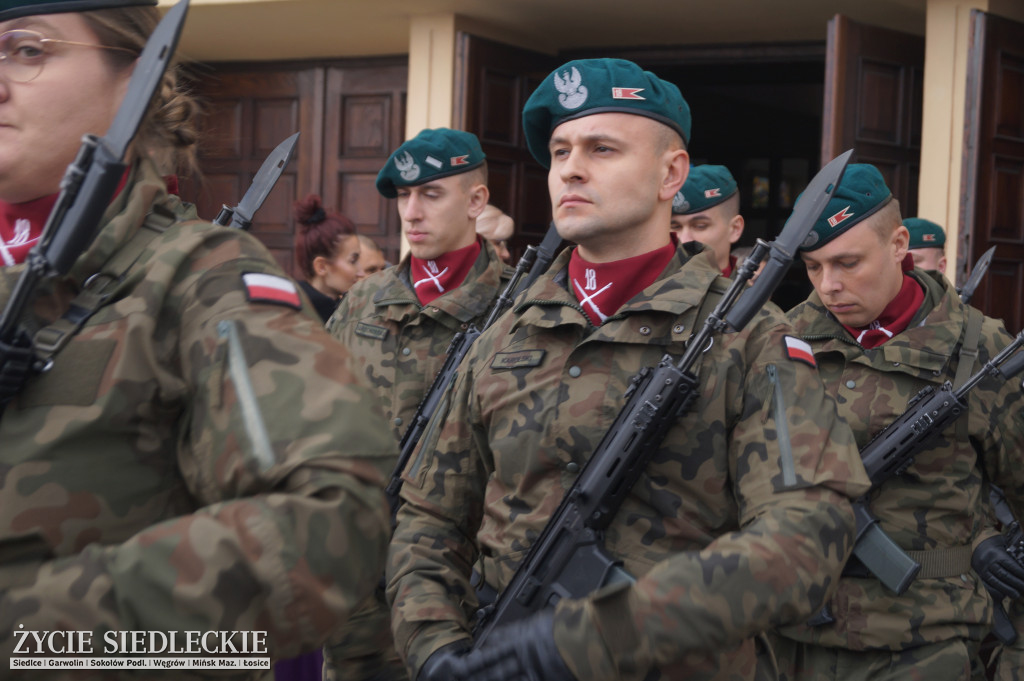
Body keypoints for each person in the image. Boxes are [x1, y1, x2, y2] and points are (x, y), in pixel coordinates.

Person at [386, 57, 872, 681]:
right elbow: (430, 518)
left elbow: (808, 539)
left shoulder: (747, 339)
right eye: (560, 152)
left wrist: (599, 637)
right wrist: (434, 649)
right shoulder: (503, 335)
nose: (571, 169)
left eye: (603, 148)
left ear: (672, 173)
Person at [0, 0, 393, 674]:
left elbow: (329, 522)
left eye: (26, 49)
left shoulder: (198, 280)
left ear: (136, 81)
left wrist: (33, 633)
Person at [774, 164, 1024, 680]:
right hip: (786, 636)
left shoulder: (977, 349)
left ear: (898, 243)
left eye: (847, 262)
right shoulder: (779, 340)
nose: (829, 285)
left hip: (925, 640)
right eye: (814, 267)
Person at [323, 127, 510, 681]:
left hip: (457, 580)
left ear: (476, 201)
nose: (412, 212)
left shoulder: (517, 309)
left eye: (431, 194)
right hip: (356, 574)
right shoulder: (363, 300)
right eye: (404, 196)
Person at [294, 193, 363, 323]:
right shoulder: (299, 318)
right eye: (353, 261)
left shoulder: (343, 311)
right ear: (321, 266)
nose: (361, 272)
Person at [670, 164, 744, 276]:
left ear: (735, 229)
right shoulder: (650, 290)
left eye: (700, 226)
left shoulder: (749, 293)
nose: (684, 240)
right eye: (675, 227)